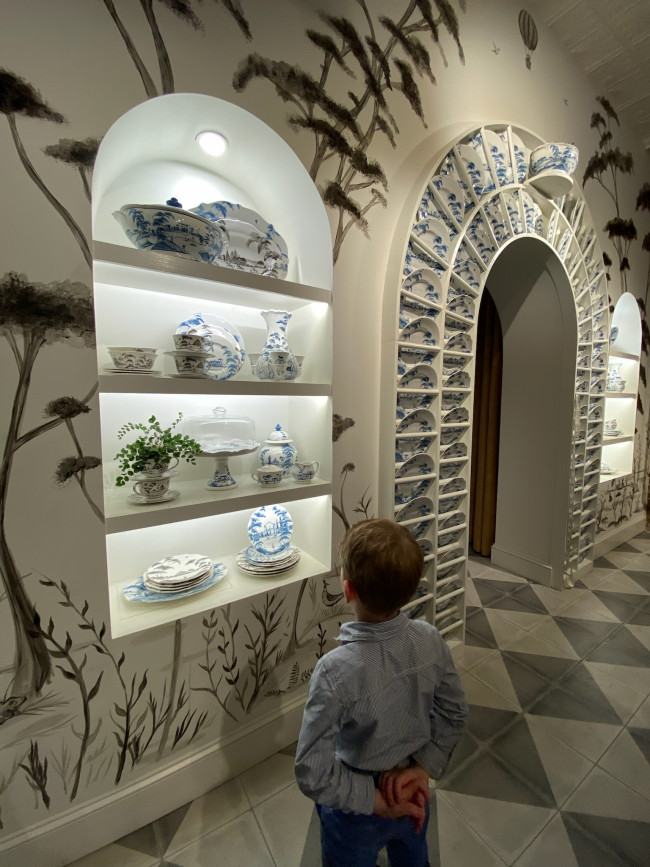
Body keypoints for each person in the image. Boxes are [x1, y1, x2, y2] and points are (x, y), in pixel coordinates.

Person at [295, 518, 468, 867]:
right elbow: (455, 712)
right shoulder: (431, 640)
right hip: (411, 788)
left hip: (356, 807)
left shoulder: (334, 672)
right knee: (413, 858)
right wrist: (422, 769)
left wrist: (377, 801)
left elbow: (312, 771)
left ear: (348, 590)